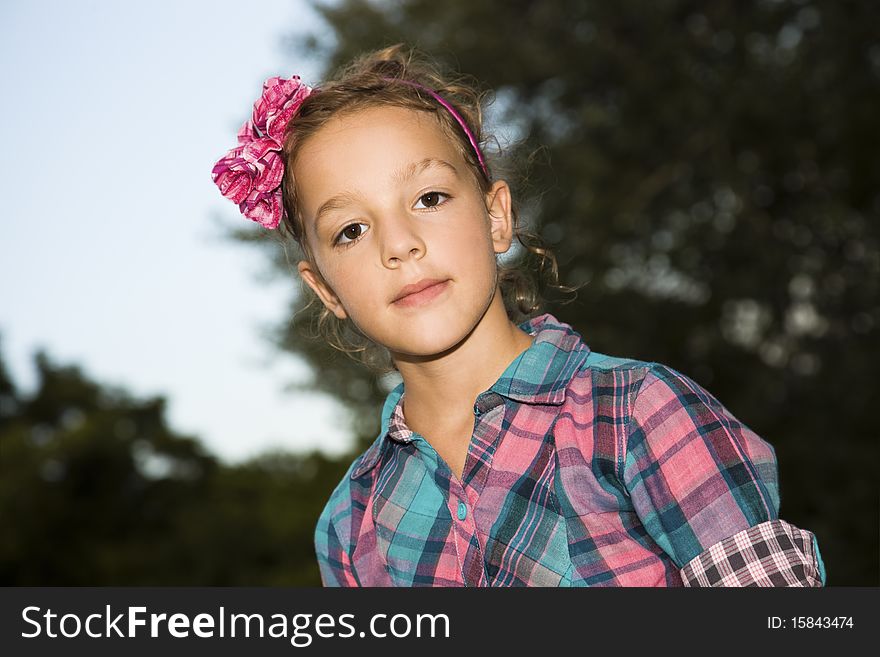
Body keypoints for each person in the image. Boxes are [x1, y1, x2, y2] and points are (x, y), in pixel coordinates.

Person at [211, 44, 826, 587]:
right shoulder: (351, 524)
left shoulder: (639, 413)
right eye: (350, 230)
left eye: (428, 198)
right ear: (326, 291)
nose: (397, 244)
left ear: (496, 216)